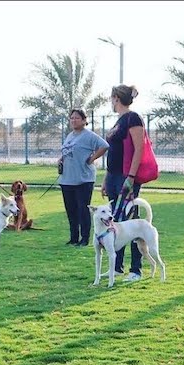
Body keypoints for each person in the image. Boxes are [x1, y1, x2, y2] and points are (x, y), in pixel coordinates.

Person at [102, 84, 147, 282]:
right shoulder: (118, 121)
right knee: (114, 222)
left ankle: (136, 269)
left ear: (116, 98)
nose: (111, 102)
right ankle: (117, 267)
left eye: (111, 99)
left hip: (126, 177)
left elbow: (139, 149)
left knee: (130, 222)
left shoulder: (133, 118)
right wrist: (106, 178)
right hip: (113, 176)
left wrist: (131, 176)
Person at [59, 109, 109, 246]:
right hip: (67, 179)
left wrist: (92, 158)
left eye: (77, 118)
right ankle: (73, 237)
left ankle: (85, 238)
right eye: (72, 118)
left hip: (83, 179)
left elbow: (104, 146)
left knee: (83, 209)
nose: (74, 120)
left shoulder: (89, 136)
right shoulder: (70, 135)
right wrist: (62, 159)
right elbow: (67, 150)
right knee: (71, 210)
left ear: (84, 120)